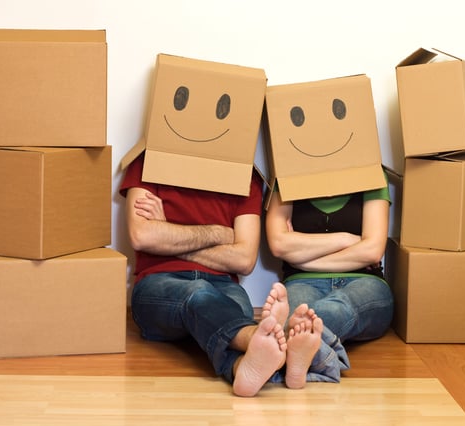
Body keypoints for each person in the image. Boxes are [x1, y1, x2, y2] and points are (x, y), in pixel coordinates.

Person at [120, 152, 324, 396]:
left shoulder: (245, 174)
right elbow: (142, 237)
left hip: (223, 286)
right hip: (158, 284)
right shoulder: (148, 161)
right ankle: (258, 338)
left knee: (235, 307)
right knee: (199, 294)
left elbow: (244, 259)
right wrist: (219, 233)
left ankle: (246, 368)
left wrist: (168, 234)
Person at [265, 175, 394, 350]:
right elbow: (279, 245)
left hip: (364, 281)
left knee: (331, 311)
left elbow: (372, 251)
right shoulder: (287, 173)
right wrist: (346, 239)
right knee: (301, 317)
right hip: (302, 282)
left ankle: (284, 347)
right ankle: (302, 354)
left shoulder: (372, 173)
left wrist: (302, 261)